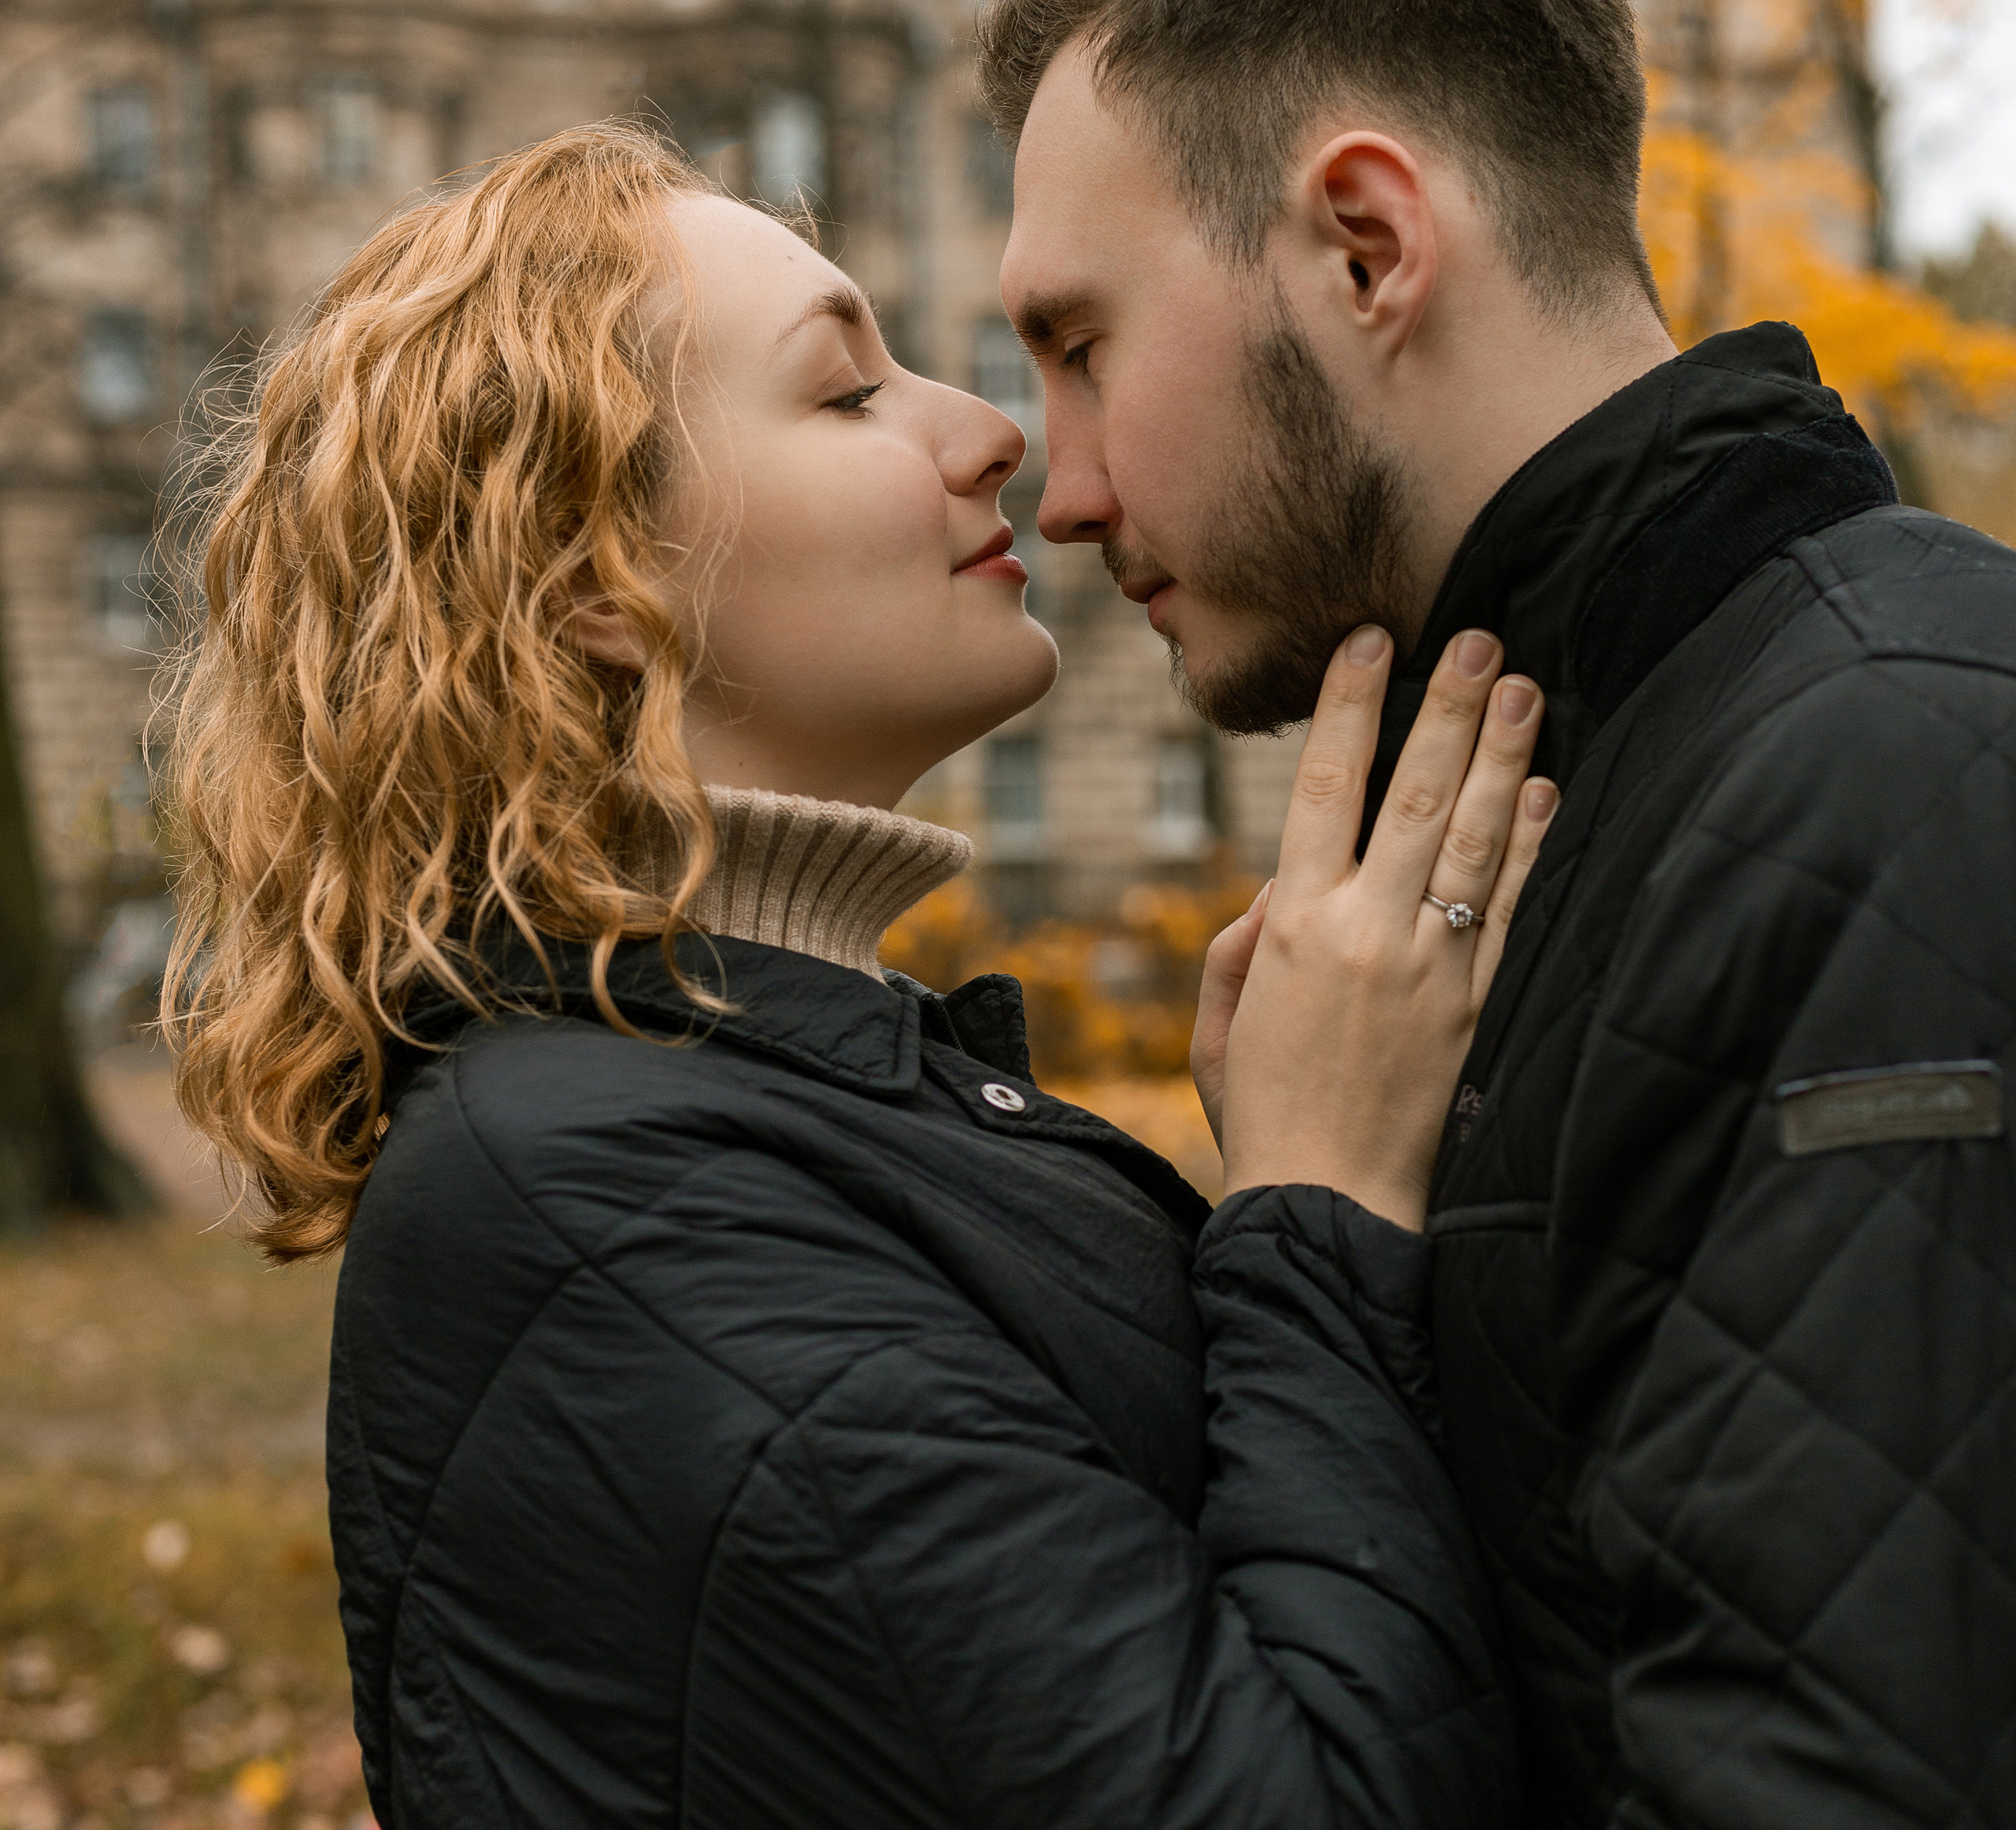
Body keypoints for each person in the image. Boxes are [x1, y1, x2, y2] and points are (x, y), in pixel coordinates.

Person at [162, 121, 1561, 1828]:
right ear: (595, 574)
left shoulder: (748, 1100)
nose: (990, 434)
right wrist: (1318, 1200)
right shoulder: (607, 1196)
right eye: (846, 392)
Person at [984, 0, 2016, 1824]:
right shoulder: (1546, 815)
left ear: (1366, 248)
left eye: (1082, 350)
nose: (1067, 487)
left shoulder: (1883, 776)